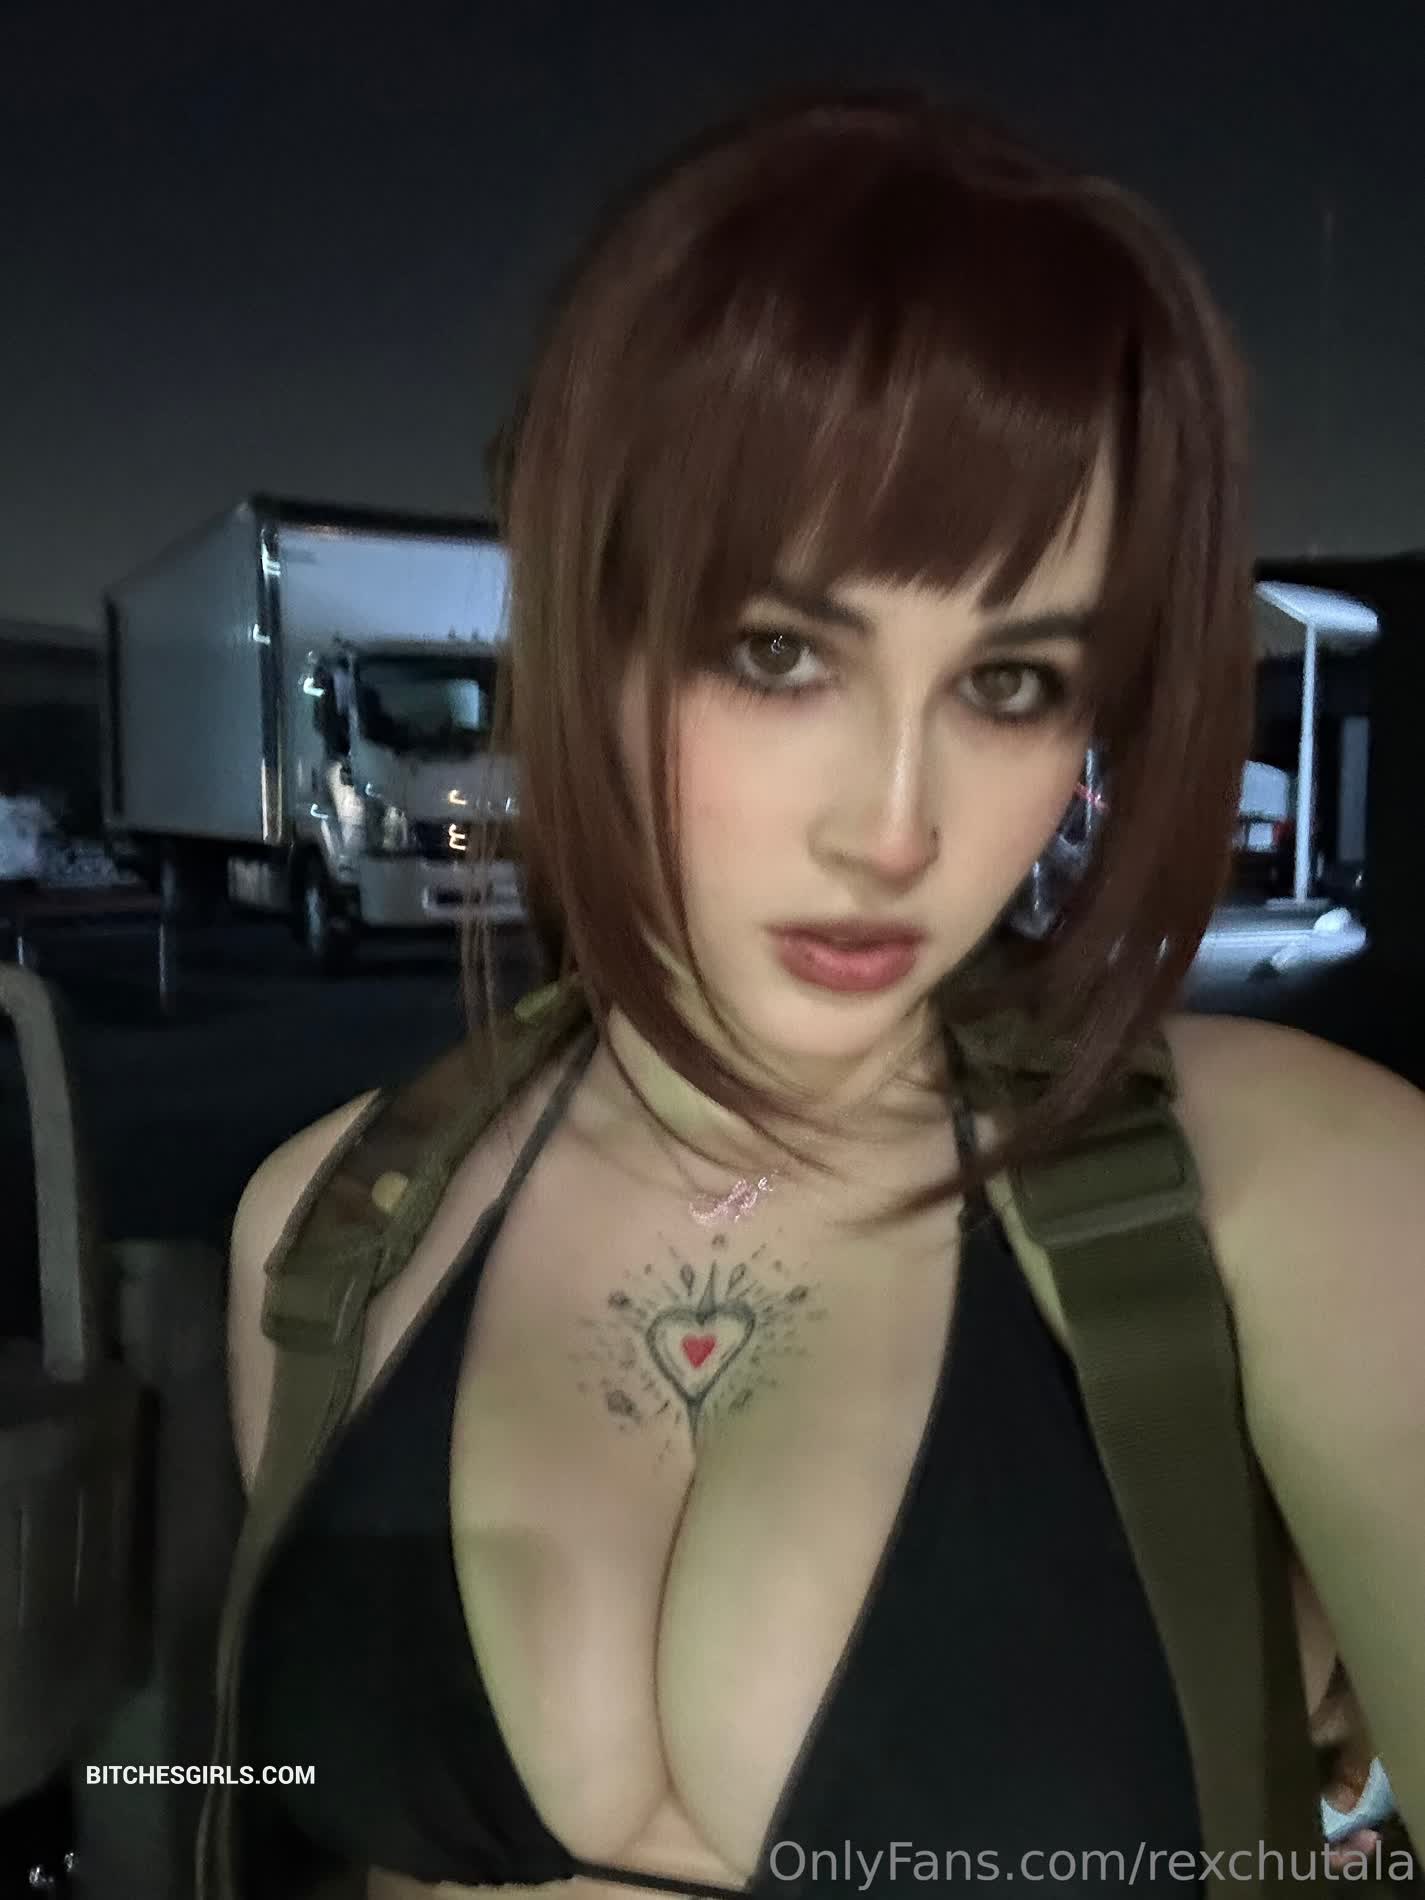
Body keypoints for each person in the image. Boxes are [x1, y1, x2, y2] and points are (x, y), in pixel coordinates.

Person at [223, 91, 1423, 1898]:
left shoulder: (1301, 1200)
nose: (893, 828)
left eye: (1010, 683)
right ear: (579, 630)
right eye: (778, 652)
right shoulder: (322, 1237)